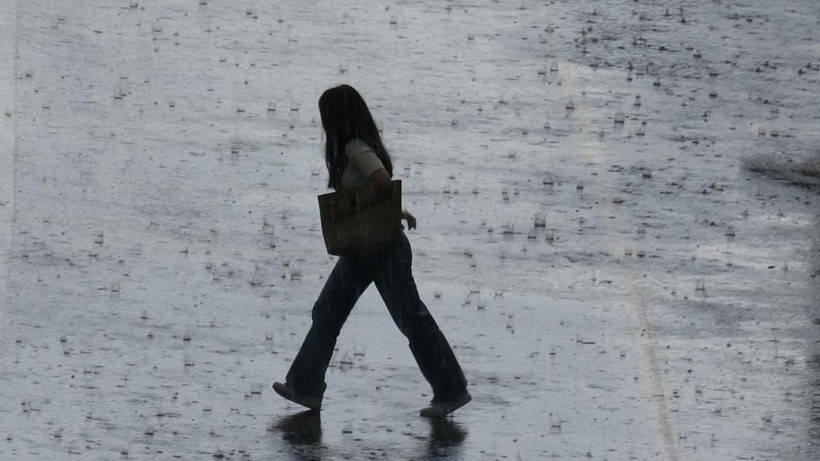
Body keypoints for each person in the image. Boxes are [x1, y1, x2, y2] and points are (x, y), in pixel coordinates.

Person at [273, 84, 470, 418]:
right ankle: (305, 387)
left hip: (384, 249)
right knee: (327, 311)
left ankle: (451, 390)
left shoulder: (355, 147)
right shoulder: (353, 149)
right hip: (361, 247)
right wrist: (396, 211)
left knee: (411, 318)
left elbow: (380, 180)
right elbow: (376, 190)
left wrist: (350, 205)